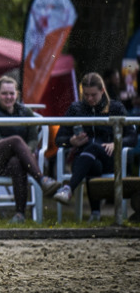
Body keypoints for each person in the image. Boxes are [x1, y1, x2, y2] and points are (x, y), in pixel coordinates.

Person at [53, 72, 138, 221]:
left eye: (94, 95)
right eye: (86, 95)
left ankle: (68, 189)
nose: (90, 99)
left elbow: (132, 137)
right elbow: (59, 140)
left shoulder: (116, 107)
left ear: (102, 91)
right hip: (83, 162)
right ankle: (95, 213)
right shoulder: (75, 109)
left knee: (93, 147)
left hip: (110, 158)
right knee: (92, 161)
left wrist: (116, 142)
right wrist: (71, 142)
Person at [0, 76, 60, 223]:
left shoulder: (26, 112)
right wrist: (20, 148)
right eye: (4, 93)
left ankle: (19, 215)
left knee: (17, 162)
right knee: (16, 141)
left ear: (17, 94)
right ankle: (42, 180)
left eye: (11, 93)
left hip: (15, 164)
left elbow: (34, 139)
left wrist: (24, 152)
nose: (8, 97)